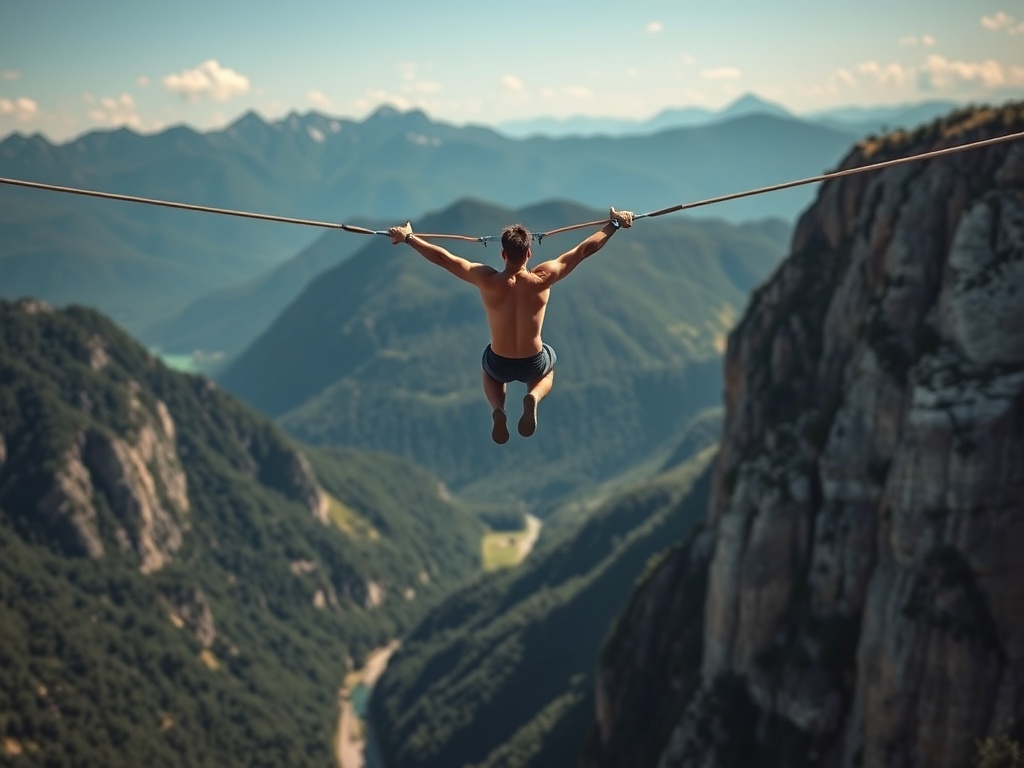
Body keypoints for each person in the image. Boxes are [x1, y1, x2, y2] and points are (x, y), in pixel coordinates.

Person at [388, 207, 634, 444]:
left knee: (489, 370)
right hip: (533, 361)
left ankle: (498, 408)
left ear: (503, 254)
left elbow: (444, 258)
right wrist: (613, 224)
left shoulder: (487, 280)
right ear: (529, 253)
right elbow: (583, 251)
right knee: (549, 367)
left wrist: (409, 237)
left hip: (499, 362)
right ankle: (534, 396)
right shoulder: (543, 278)